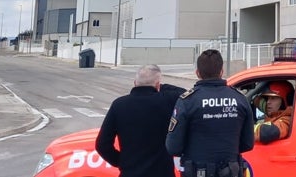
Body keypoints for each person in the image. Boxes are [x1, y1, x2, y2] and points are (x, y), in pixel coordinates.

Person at [166, 49, 254, 177]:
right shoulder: (240, 98)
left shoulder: (187, 101)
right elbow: (247, 144)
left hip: (198, 171)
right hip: (231, 171)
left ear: (197, 73)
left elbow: (173, 147)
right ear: (221, 72)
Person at [95, 64, 184, 177]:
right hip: (162, 172)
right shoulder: (167, 101)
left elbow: (102, 145)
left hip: (130, 172)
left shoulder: (119, 105)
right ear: (157, 85)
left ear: (135, 83)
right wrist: (162, 86)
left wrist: (121, 161)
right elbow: (186, 93)